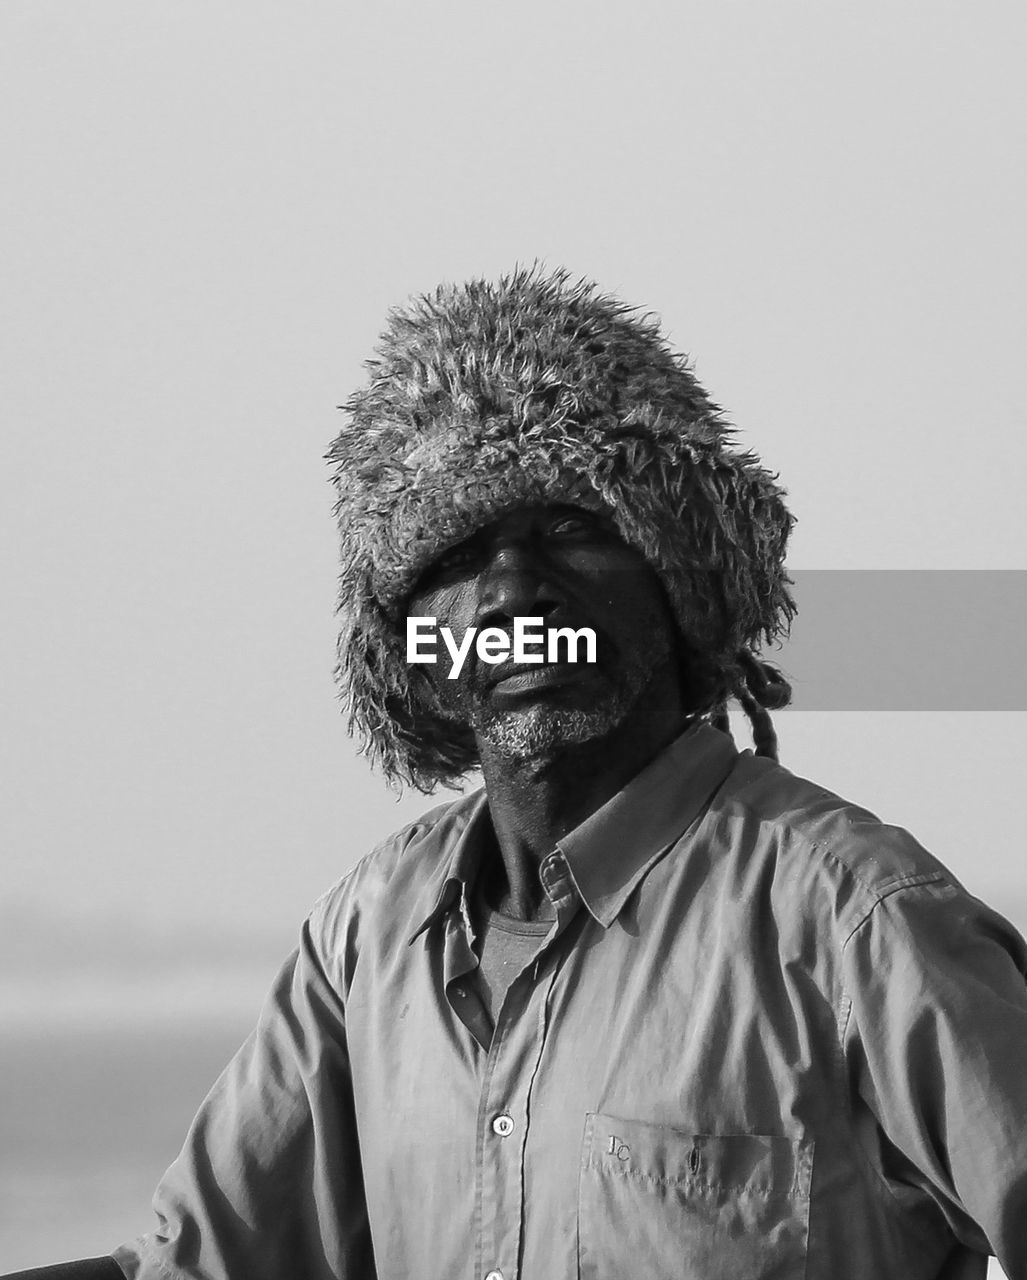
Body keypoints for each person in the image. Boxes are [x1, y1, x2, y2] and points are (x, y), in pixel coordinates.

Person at [9, 267, 1027, 1279]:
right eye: (457, 551)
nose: (512, 593)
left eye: (571, 530)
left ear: (680, 580)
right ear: (409, 640)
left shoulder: (855, 920)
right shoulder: (370, 934)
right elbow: (191, 1264)